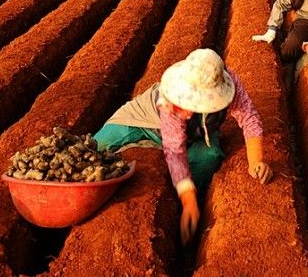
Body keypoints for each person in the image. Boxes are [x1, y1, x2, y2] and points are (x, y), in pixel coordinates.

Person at [93, 48, 272, 245]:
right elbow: (174, 150)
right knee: (97, 146)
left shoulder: (230, 83)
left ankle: (186, 202)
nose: (187, 111)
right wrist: (188, 201)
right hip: (144, 120)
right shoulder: (170, 97)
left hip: (198, 132)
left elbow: (249, 118)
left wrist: (256, 161)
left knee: (208, 159)